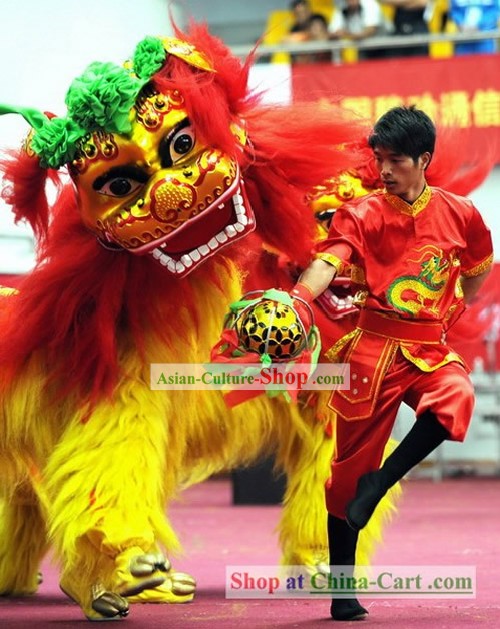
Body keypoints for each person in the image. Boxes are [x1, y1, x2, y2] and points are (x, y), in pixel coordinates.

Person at [289, 105, 493, 621]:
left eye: (395, 160)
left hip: (427, 348)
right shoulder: (362, 213)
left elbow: (476, 267)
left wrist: (454, 306)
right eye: (378, 159)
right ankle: (342, 591)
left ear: (423, 159)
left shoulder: (460, 213)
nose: (383, 170)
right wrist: (297, 299)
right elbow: (327, 260)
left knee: (456, 398)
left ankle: (381, 482)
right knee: (344, 476)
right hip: (371, 349)